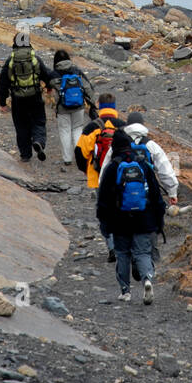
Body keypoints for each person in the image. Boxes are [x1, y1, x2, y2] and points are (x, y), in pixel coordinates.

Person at [96, 128, 166, 304]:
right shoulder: (143, 165)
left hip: (119, 221)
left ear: (114, 147)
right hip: (144, 218)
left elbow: (103, 199)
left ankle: (125, 291)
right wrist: (159, 221)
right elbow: (156, 196)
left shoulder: (112, 168)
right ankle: (147, 280)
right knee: (143, 253)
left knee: (122, 254)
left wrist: (104, 224)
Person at [74, 94, 124, 261]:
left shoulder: (92, 127)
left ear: (100, 106)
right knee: (121, 209)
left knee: (105, 212)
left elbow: (80, 152)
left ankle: (111, 247)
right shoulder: (123, 126)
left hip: (98, 177)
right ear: (115, 106)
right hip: (121, 176)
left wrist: (85, 170)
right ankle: (123, 244)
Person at [0, 32, 53, 163]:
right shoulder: (35, 59)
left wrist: (3, 102)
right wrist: (49, 87)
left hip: (18, 99)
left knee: (21, 126)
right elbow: (45, 74)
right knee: (38, 121)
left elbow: (3, 82)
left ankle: (25, 154)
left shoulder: (10, 61)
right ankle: (38, 141)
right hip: (35, 96)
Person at [50, 49, 95, 173]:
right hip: (78, 106)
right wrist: (92, 102)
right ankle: (79, 156)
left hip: (62, 107)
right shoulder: (76, 71)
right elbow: (87, 87)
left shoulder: (54, 74)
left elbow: (48, 87)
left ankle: (67, 158)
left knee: (65, 131)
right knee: (77, 129)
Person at [121, 112, 180, 205]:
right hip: (147, 194)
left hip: (123, 193)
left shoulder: (118, 145)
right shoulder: (151, 145)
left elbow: (106, 169)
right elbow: (165, 170)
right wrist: (172, 192)